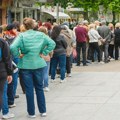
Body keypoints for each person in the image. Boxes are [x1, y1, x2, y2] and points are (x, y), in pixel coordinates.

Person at [10, 18, 56, 118]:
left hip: (26, 64)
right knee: (39, 88)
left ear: (24, 26)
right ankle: (43, 111)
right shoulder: (41, 34)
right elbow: (52, 43)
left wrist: (18, 55)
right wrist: (43, 52)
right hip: (39, 63)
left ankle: (31, 113)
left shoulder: (22, 35)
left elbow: (12, 47)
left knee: (29, 90)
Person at [0, 27, 13, 120]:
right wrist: (9, 73)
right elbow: (7, 58)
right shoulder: (3, 42)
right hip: (2, 71)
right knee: (2, 93)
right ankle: (5, 112)